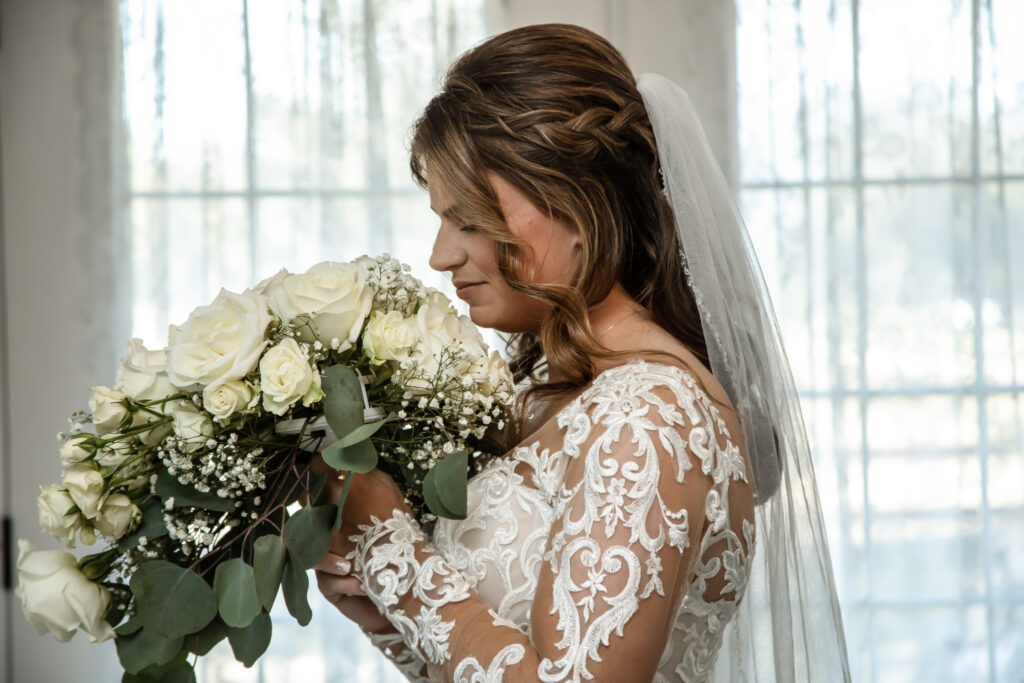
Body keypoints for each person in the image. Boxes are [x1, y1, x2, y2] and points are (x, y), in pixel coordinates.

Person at [312, 24, 850, 682]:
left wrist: (390, 544)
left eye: (470, 219)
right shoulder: (559, 385)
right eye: (441, 218)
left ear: (575, 199)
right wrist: (388, 611)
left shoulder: (650, 415)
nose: (441, 255)